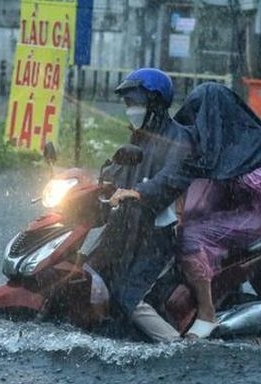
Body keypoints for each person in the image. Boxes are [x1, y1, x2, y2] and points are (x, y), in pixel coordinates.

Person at [110, 82, 261, 339]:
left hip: (252, 213)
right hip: (227, 208)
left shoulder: (245, 147)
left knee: (190, 235)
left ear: (217, 115)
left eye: (200, 113)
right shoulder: (215, 143)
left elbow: (187, 174)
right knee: (182, 226)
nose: (197, 121)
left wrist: (151, 191)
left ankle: (206, 314)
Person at [85, 68, 194, 340]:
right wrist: (95, 185)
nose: (130, 110)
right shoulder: (139, 137)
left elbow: (172, 178)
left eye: (135, 103)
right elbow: (118, 170)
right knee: (90, 273)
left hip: (158, 237)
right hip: (128, 228)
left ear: (155, 103)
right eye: (128, 104)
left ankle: (177, 348)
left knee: (129, 297)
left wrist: (138, 193)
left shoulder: (179, 139)